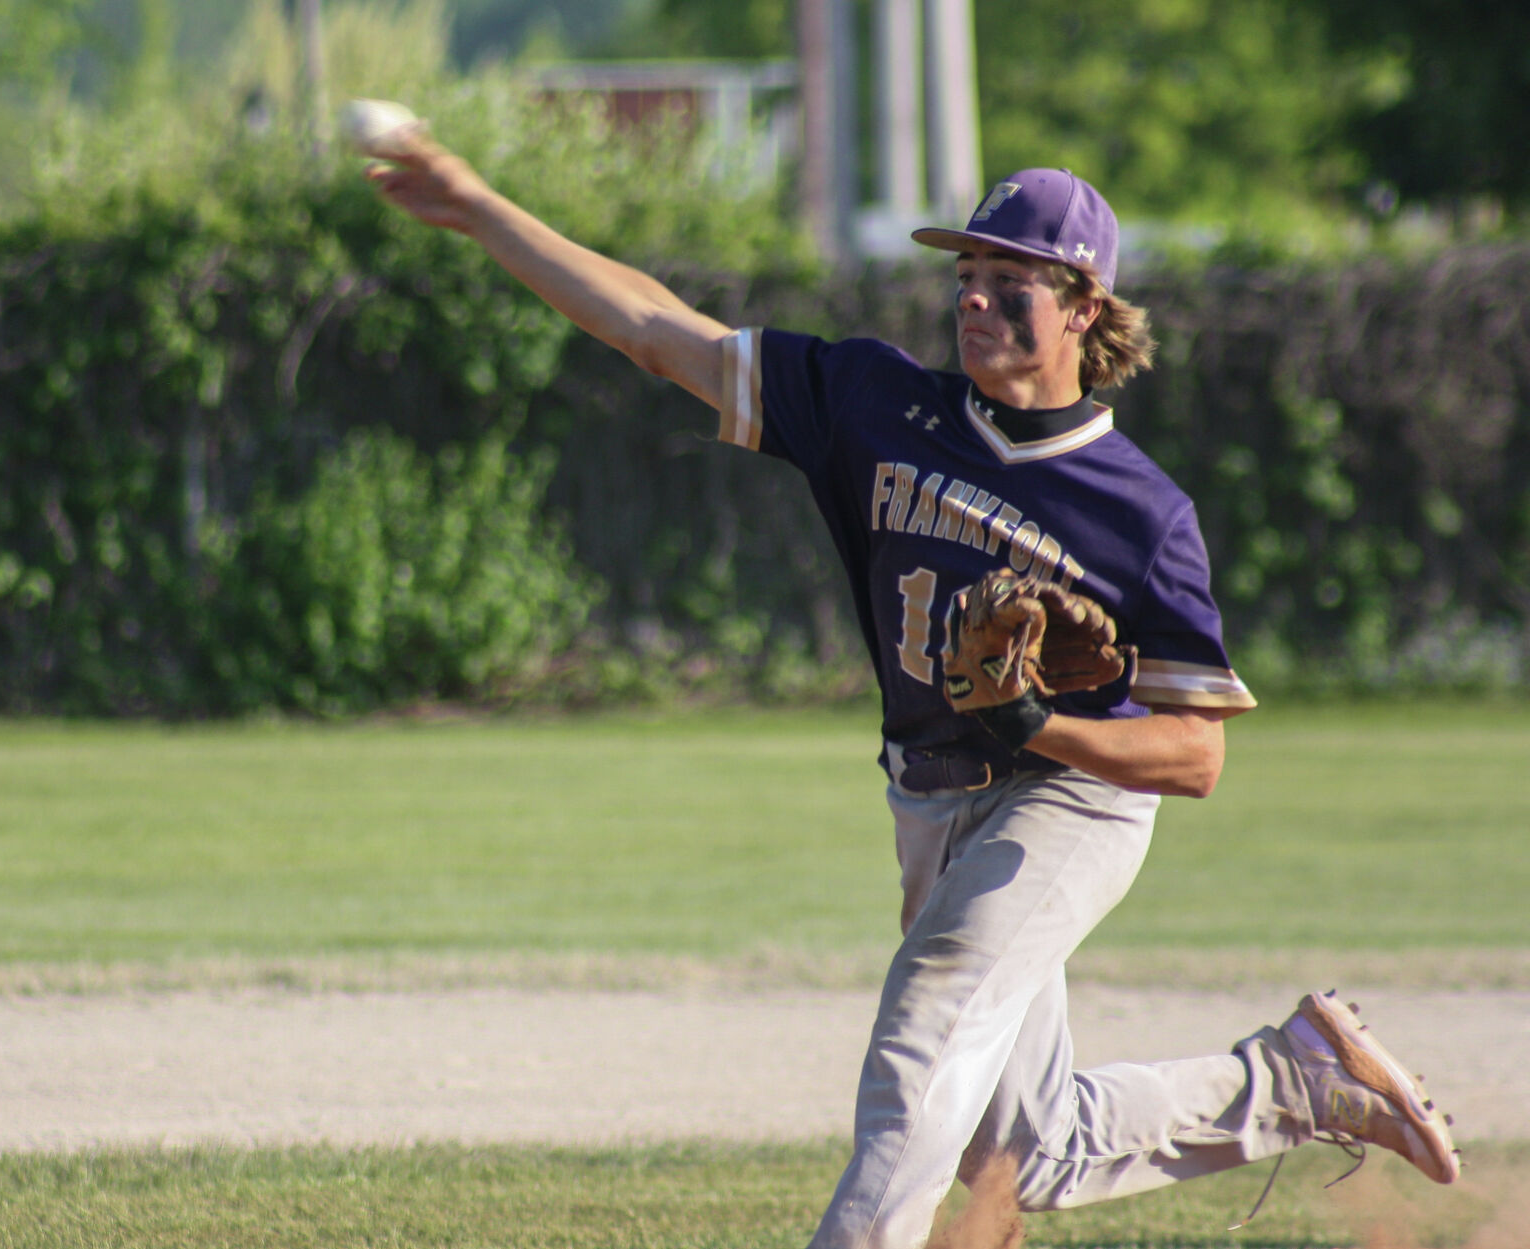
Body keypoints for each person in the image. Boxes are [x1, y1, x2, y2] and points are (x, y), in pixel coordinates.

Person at [364, 135, 1459, 1245]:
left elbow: (1194, 757)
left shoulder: (1139, 513)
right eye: (964, 277)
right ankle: (1296, 1081)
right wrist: (477, 207)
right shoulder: (873, 401)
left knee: (925, 1021)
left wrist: (1042, 722)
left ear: (1082, 307)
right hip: (927, 802)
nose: (974, 299)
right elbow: (658, 334)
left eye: (1008, 281)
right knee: (1026, 1153)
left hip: (1067, 805)